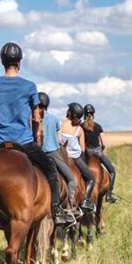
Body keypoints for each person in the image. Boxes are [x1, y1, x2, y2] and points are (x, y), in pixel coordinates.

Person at [0, 42, 67, 223]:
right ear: (19, 62)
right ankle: (55, 209)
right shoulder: (29, 86)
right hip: (24, 143)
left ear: (2, 61)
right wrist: (36, 134)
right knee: (51, 169)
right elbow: (36, 118)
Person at [38, 92, 81, 221]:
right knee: (71, 179)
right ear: (47, 105)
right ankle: (69, 209)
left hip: (36, 152)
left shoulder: (32, 117)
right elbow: (60, 140)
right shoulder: (54, 119)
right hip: (52, 153)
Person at [60, 103, 95, 211]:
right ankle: (85, 200)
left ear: (69, 113)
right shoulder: (79, 130)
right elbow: (83, 149)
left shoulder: (61, 124)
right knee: (91, 178)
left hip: (61, 157)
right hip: (75, 158)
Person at [82, 104, 118, 203]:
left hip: (86, 153)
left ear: (84, 114)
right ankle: (109, 195)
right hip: (98, 152)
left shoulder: (81, 127)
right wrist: (100, 150)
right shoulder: (98, 126)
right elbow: (104, 143)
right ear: (93, 114)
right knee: (112, 171)